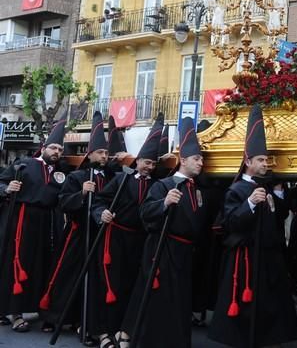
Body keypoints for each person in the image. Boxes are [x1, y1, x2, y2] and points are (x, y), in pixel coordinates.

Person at [208, 106, 297, 347]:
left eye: (266, 160)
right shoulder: (237, 190)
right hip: (246, 258)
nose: (265, 164)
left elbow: (279, 217)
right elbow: (229, 223)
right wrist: (249, 203)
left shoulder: (269, 187)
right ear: (248, 161)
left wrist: (279, 193)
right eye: (260, 160)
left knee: (269, 308)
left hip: (268, 258)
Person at [120, 117, 208, 348]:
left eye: (202, 159)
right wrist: (164, 204)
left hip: (184, 252)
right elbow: (146, 212)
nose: (201, 163)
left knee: (179, 301)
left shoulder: (197, 189)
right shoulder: (163, 185)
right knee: (158, 297)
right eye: (197, 159)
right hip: (163, 248)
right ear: (183, 160)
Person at [40, 111, 111, 347]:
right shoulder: (77, 176)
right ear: (90, 153)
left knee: (96, 280)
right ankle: (58, 316)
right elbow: (63, 202)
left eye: (106, 152)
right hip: (78, 233)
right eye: (100, 152)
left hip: (102, 235)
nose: (104, 156)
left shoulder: (112, 177)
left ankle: (89, 321)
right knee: (68, 276)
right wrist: (81, 193)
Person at [91, 115, 163, 347]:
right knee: (111, 283)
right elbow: (99, 201)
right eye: (146, 162)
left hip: (142, 240)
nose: (149, 167)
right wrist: (101, 213)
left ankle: (125, 329)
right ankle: (103, 332)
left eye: (153, 164)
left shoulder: (157, 185)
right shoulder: (123, 180)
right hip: (117, 238)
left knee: (132, 285)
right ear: (138, 161)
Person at [0, 115, 67, 333]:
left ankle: (36, 306)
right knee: (19, 264)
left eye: (60, 149)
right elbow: (1, 182)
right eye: (54, 147)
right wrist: (7, 188)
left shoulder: (60, 172)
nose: (57, 152)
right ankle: (14, 312)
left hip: (47, 222)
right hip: (22, 220)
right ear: (44, 147)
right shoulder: (24, 165)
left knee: (41, 265)